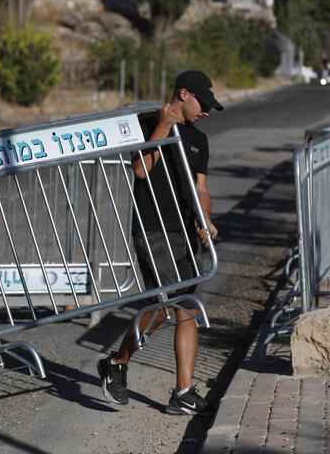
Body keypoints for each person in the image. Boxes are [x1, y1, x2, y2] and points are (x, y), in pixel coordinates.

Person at [97, 70, 221, 415]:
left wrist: (205, 219)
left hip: (184, 233)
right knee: (168, 305)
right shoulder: (146, 122)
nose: (207, 112)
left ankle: (182, 392)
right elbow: (140, 170)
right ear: (184, 94)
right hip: (153, 229)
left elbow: (202, 189)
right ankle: (118, 363)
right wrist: (163, 127)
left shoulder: (199, 140)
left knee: (188, 307)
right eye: (203, 103)